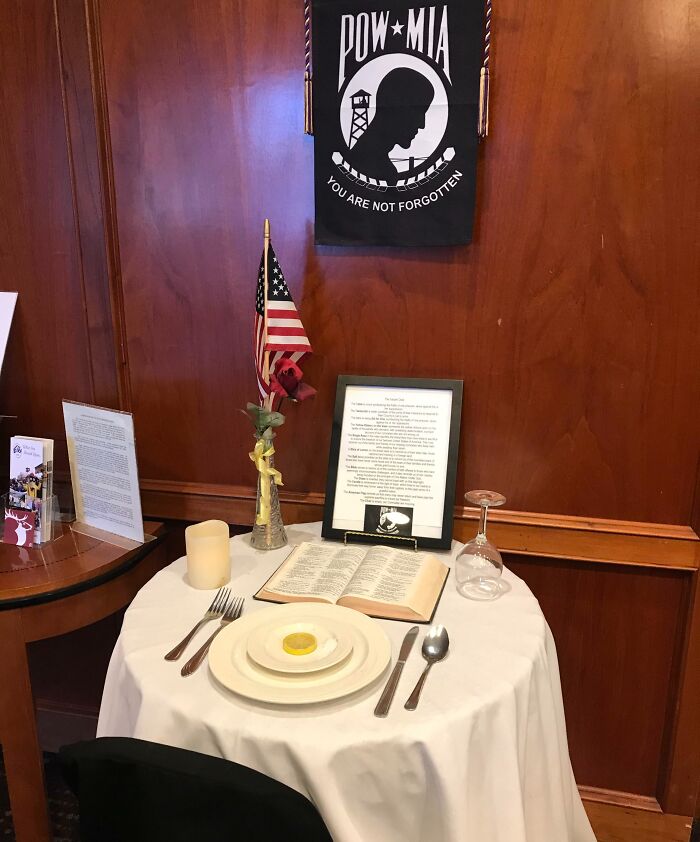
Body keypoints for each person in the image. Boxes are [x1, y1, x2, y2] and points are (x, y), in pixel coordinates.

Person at [349, 67, 434, 184]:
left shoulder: (361, 161)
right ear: (393, 106)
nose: (422, 125)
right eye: (417, 112)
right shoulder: (382, 171)